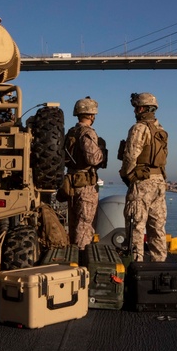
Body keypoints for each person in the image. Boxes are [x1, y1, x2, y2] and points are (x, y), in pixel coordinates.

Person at [118, 92, 169, 262]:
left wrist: (127, 175)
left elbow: (130, 157)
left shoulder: (138, 128)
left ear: (141, 109)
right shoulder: (161, 130)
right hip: (159, 183)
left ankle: (136, 265)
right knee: (157, 228)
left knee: (136, 227)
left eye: (136, 108)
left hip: (142, 183)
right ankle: (159, 264)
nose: (134, 111)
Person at [64, 97, 105, 249]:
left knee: (74, 223)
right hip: (85, 185)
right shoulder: (87, 133)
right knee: (84, 226)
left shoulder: (71, 132)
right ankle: (81, 257)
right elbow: (93, 159)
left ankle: (74, 255)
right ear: (92, 115)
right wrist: (102, 151)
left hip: (71, 183)